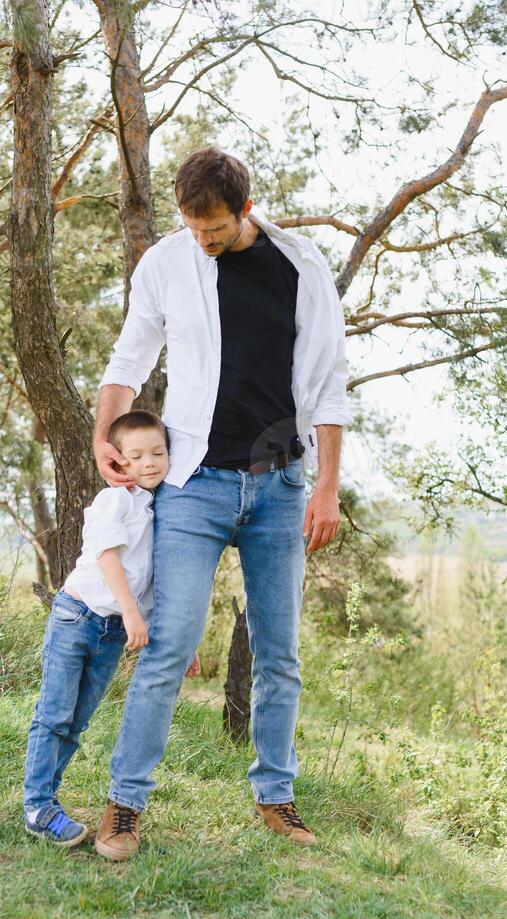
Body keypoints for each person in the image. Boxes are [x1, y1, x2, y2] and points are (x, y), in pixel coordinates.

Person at [91, 146, 351, 862]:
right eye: (192, 227)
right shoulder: (167, 265)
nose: (202, 241)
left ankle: (276, 797)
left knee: (280, 653)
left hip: (279, 485)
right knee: (169, 644)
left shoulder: (302, 265)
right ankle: (124, 806)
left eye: (214, 229)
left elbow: (330, 378)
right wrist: (102, 433)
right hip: (194, 484)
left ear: (244, 208)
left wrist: (326, 484)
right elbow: (130, 358)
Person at [21, 410, 171, 846]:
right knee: (53, 715)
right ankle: (38, 806)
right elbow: (108, 556)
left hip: (111, 633)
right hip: (77, 617)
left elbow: (153, 582)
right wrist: (130, 612)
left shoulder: (163, 510)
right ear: (117, 461)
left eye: (158, 453)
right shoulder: (115, 500)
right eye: (137, 455)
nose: (149, 463)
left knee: (76, 722)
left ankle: (46, 800)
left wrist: (175, 638)